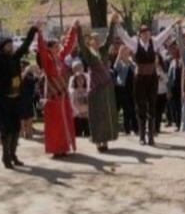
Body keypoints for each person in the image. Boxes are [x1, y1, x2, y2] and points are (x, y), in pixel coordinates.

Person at [115, 15, 177, 145]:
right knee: (141, 107)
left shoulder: (154, 42)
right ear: (140, 34)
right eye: (143, 33)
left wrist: (173, 25)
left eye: (148, 32)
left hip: (152, 79)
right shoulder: (135, 44)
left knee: (152, 106)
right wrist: (117, 24)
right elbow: (124, 36)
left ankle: (151, 136)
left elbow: (164, 34)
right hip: (140, 80)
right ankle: (142, 136)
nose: (146, 35)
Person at [0, 22, 38, 170]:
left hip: (16, 97)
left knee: (16, 128)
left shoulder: (15, 58)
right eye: (8, 45)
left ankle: (13, 154)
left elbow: (25, 46)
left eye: (11, 44)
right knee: (6, 129)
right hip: (4, 99)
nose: (11, 46)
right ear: (3, 47)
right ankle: (6, 156)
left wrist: (33, 30)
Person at [75, 21, 119, 152]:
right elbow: (81, 44)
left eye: (98, 39)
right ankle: (98, 141)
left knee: (106, 115)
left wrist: (112, 23)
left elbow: (109, 38)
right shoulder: (88, 53)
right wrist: (78, 29)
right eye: (94, 40)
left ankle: (105, 140)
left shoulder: (103, 50)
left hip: (106, 87)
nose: (97, 41)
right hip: (95, 87)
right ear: (90, 42)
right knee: (97, 115)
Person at [37, 20, 78, 157]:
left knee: (64, 123)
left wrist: (73, 29)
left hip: (63, 97)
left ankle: (64, 147)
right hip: (53, 98)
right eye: (54, 46)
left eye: (57, 46)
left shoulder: (60, 58)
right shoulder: (47, 62)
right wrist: (39, 32)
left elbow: (68, 45)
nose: (57, 48)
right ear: (49, 49)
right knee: (55, 125)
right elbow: (41, 50)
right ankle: (55, 149)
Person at [113, 46, 136, 135]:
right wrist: (119, 57)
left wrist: (130, 61)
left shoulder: (131, 61)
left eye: (127, 51)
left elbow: (135, 69)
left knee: (129, 108)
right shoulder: (119, 61)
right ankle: (115, 128)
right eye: (123, 51)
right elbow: (116, 68)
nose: (125, 53)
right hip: (121, 87)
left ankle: (129, 128)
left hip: (130, 87)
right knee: (118, 108)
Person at [19, 63, 39, 140]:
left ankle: (29, 135)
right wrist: (27, 70)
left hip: (28, 100)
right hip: (20, 101)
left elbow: (36, 79)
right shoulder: (17, 76)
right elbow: (21, 78)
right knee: (21, 120)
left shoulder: (29, 76)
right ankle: (22, 135)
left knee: (29, 119)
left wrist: (36, 70)